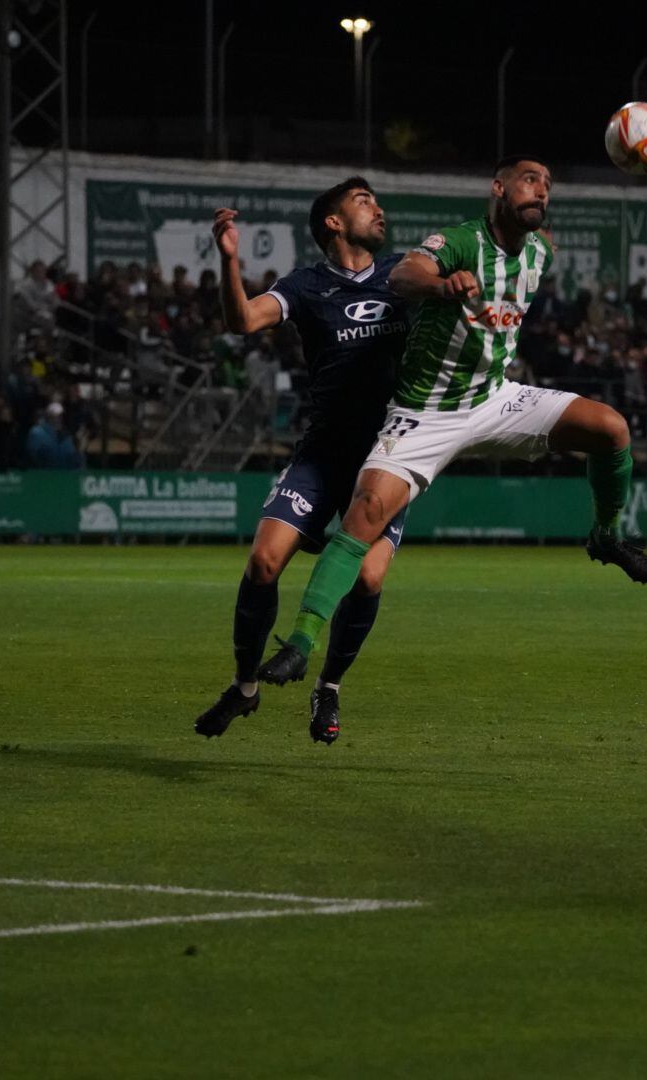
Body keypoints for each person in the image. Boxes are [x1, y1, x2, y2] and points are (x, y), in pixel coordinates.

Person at [259, 155, 647, 692]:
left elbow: (536, 245)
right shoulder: (461, 241)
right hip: (425, 412)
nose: (541, 190)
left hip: (496, 398)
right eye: (529, 180)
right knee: (365, 513)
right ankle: (301, 643)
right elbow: (406, 272)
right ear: (497, 188)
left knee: (610, 428)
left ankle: (607, 537)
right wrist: (441, 284)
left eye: (548, 184)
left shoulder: (539, 250)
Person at [192, 177, 414, 746]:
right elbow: (242, 321)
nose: (378, 210)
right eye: (365, 202)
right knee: (264, 563)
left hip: (386, 458)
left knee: (366, 578)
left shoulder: (403, 276)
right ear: (334, 223)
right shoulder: (306, 285)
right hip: (321, 453)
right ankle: (244, 689)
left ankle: (329, 685)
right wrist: (231, 260)